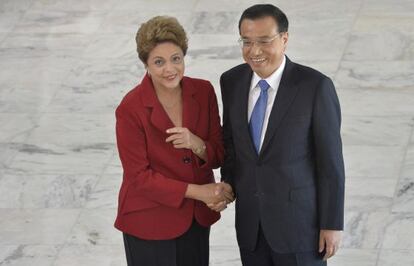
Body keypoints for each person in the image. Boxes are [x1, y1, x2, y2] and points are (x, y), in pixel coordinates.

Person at [219, 4, 345, 266]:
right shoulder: (231, 81)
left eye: (264, 41)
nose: (254, 51)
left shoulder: (315, 86)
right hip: (251, 228)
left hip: (301, 229)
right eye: (246, 42)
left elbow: (330, 163)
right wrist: (228, 184)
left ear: (284, 39)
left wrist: (331, 224)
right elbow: (231, 144)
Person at [114, 16, 233, 266]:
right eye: (159, 62)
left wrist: (196, 142)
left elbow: (219, 153)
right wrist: (200, 192)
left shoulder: (203, 91)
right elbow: (139, 177)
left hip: (195, 220)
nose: (170, 69)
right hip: (148, 221)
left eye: (176, 59)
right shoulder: (130, 108)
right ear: (145, 64)